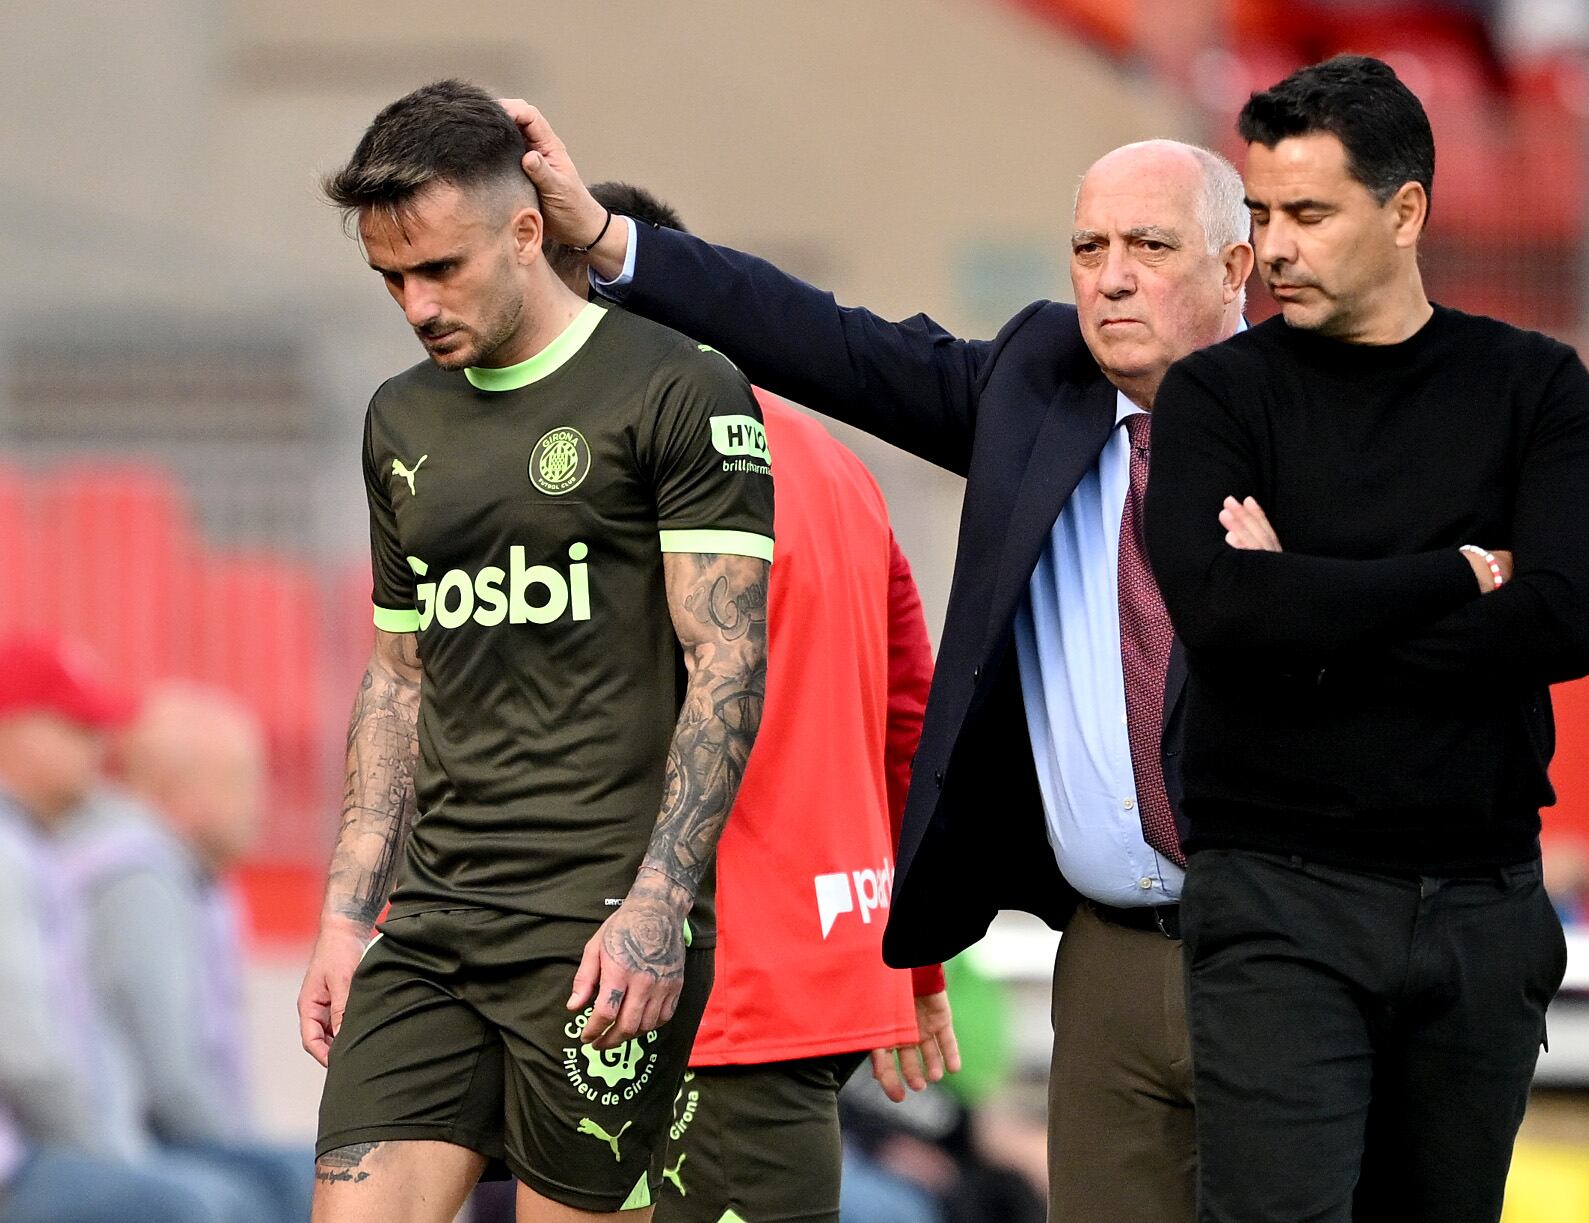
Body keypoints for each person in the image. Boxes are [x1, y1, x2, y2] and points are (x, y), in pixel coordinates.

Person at [509, 100, 1254, 1221]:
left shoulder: (1322, 414)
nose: (1108, 278)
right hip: (1103, 957)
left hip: (1283, 935)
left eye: (1148, 248)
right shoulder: (1036, 381)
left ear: (1236, 264)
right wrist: (615, 247)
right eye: (1089, 247)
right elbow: (826, 337)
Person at [1144, 54, 1589, 1222]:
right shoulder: (1215, 394)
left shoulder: (1534, 386)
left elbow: (1563, 619)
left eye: (1307, 213)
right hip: (1276, 900)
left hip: (1478, 900)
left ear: (1404, 210)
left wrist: (1303, 599)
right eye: (1258, 214)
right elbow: (1215, 609)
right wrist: (1453, 576)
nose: (1272, 246)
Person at [298, 80, 773, 1223]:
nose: (414, 304)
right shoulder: (398, 420)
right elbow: (399, 674)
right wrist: (342, 913)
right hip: (433, 925)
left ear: (526, 231)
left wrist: (660, 902)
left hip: (596, 930)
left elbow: (726, 664)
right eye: (390, 278)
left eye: (439, 269)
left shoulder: (677, 387)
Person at [551, 181, 959, 1223]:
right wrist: (907, 957)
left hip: (688, 992)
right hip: (815, 969)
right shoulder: (835, 466)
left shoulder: (616, 469)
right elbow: (909, 722)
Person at [0, 636, 257, 1223]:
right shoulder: (16, 852)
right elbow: (28, 1058)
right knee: (208, 1202)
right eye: (77, 728)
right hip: (25, 1160)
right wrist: (109, 1156)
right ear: (15, 729)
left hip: (45, 1150)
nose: (101, 746)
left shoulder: (32, 843)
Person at [54, 683, 315, 1220]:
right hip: (129, 1146)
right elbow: (166, 1078)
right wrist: (243, 1153)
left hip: (146, 1141)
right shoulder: (138, 877)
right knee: (308, 1182)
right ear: (185, 788)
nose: (261, 807)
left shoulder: (188, 874)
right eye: (247, 781)